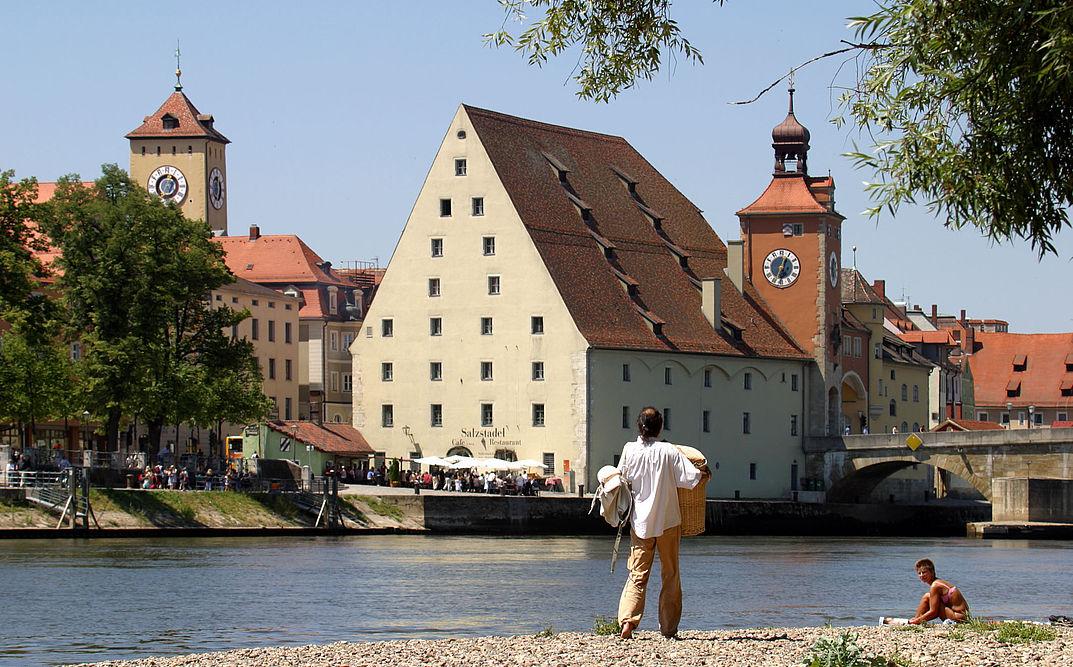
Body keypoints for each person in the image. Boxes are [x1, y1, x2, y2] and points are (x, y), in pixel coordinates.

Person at [617, 407, 706, 640]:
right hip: (668, 520)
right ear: (660, 427)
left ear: (639, 426)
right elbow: (691, 479)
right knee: (670, 573)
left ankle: (628, 621)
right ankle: (668, 628)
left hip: (640, 522)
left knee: (637, 573)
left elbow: (621, 481)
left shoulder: (629, 450)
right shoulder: (669, 451)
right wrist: (705, 474)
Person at [909, 558, 969, 624]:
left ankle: (915, 621)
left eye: (924, 572)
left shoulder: (935, 586)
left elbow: (934, 612)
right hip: (959, 616)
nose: (921, 575)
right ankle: (915, 619)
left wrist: (918, 621)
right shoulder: (937, 582)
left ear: (932, 572)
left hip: (959, 618)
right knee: (928, 596)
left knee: (928, 597)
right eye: (919, 573)